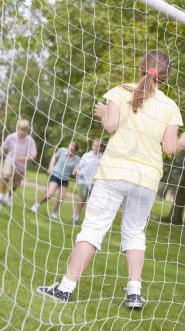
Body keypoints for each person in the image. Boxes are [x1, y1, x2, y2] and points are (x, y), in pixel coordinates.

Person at [37, 51, 185, 308]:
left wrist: (104, 111)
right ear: (166, 76)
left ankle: (65, 289)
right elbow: (171, 148)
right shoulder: (170, 106)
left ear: (141, 67)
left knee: (93, 228)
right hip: (147, 180)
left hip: (114, 173)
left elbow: (110, 126)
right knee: (135, 233)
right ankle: (134, 293)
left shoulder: (120, 90)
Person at [0, 119, 37, 206]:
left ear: (27, 130)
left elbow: (34, 155)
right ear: (17, 128)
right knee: (6, 175)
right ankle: (1, 195)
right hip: (10, 160)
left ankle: (9, 197)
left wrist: (23, 158)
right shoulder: (11, 136)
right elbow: (3, 148)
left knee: (16, 184)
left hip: (21, 166)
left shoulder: (30, 141)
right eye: (20, 129)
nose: (21, 131)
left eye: (24, 130)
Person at [31, 141, 80, 219]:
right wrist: (51, 166)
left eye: (72, 149)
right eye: (70, 148)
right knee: (50, 194)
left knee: (61, 198)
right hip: (55, 175)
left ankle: (54, 213)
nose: (70, 150)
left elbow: (74, 172)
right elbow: (54, 156)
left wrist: (77, 171)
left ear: (75, 151)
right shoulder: (62, 150)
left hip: (65, 179)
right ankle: (36, 205)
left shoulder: (77, 159)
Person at [72, 138, 102, 223]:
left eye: (98, 146)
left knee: (85, 200)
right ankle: (76, 216)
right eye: (95, 146)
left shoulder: (101, 157)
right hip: (83, 180)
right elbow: (78, 167)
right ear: (92, 146)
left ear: (101, 147)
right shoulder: (87, 155)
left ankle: (77, 213)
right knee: (82, 197)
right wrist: (78, 172)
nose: (96, 148)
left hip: (93, 182)